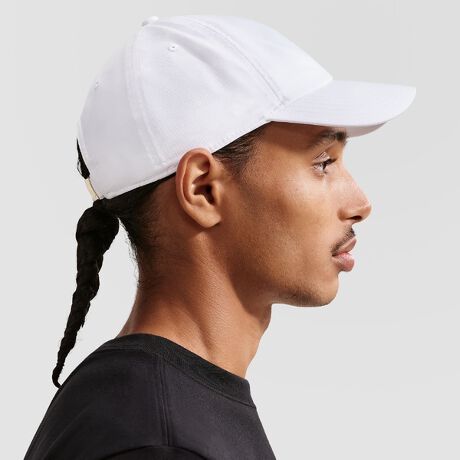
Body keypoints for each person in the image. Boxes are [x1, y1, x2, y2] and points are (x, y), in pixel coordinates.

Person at [23, 14, 416, 460]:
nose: (361, 203)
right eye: (323, 162)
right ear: (203, 189)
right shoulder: (159, 442)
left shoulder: (147, 407)